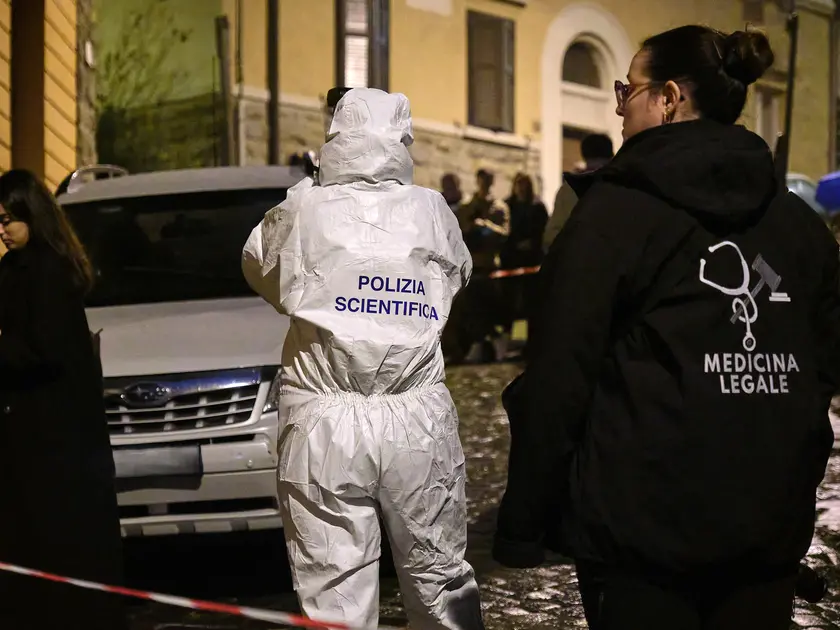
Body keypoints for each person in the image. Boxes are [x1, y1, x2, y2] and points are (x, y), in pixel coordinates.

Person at [493, 25, 840, 630]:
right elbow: (824, 368)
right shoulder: (798, 225)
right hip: (766, 529)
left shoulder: (611, 219)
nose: (620, 108)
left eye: (627, 90)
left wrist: (524, 523)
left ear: (669, 98)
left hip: (644, 541)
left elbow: (558, 378)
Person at [242, 87, 484, 630]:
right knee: (440, 578)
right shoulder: (431, 210)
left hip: (324, 422)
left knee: (334, 592)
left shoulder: (302, 208)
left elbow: (260, 267)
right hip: (416, 418)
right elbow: (458, 275)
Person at [0, 169, 127, 629]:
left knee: (59, 544)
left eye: (9, 220)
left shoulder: (47, 271)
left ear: (31, 216)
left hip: (54, 438)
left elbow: (45, 351)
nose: (2, 230)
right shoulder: (16, 269)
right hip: (32, 434)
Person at [499, 173, 548, 358]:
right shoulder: (508, 205)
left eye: (524, 184)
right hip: (511, 260)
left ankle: (531, 342)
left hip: (530, 260)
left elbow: (542, 230)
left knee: (530, 301)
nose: (521, 188)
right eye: (518, 184)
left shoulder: (537, 207)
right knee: (508, 301)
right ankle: (507, 342)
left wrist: (532, 243)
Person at [543, 133, 614, 253]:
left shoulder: (568, 189)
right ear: (612, 156)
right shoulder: (624, 186)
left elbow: (551, 236)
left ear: (584, 156)